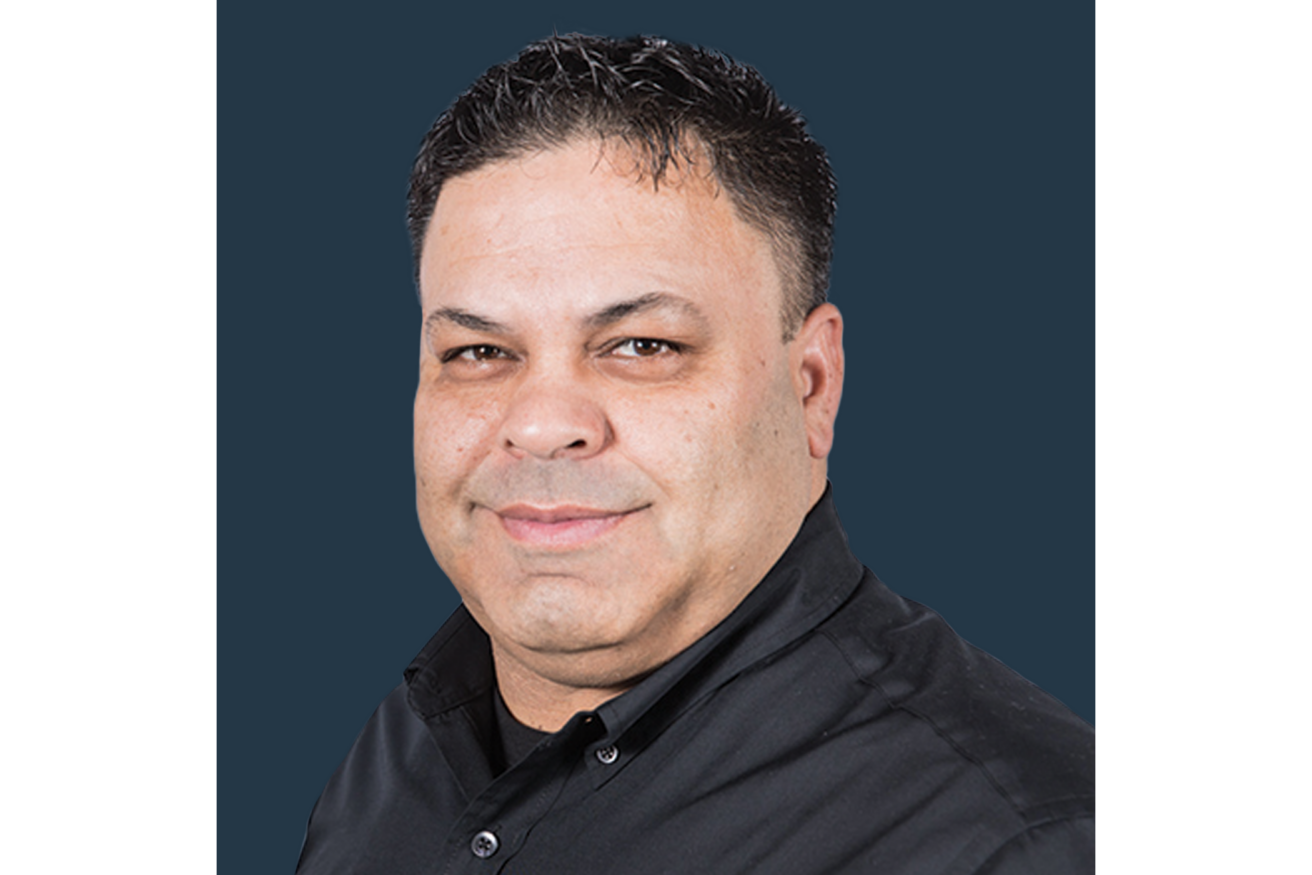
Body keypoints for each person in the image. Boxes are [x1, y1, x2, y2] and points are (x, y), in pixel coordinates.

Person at [296, 33, 1093, 874]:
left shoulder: (1015, 843)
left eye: (642, 345)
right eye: (480, 352)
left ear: (813, 384)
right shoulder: (395, 758)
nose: (540, 424)